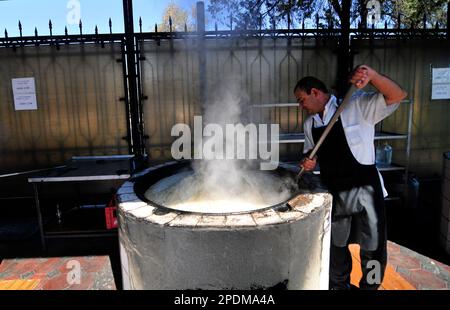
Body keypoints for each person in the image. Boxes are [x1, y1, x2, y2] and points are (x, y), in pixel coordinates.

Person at [294, 65, 407, 290]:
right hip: (335, 191)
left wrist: (373, 77)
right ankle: (338, 285)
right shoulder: (310, 125)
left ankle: (370, 286)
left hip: (366, 190)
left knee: (373, 246)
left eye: (301, 99)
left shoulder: (356, 105)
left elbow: (397, 95)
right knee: (336, 246)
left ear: (315, 92)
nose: (301, 106)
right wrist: (308, 161)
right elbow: (311, 153)